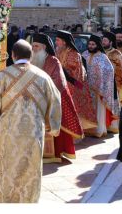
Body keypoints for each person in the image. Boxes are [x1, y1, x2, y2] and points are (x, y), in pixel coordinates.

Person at [0, 40, 61, 203]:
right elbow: (56, 102)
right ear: (31, 56)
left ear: (13, 55)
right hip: (34, 135)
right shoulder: (44, 77)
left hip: (7, 134)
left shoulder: (3, 76)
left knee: (6, 170)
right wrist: (52, 126)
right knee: (30, 172)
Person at [31, 33, 83, 163]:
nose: (33, 49)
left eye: (36, 46)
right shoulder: (31, 60)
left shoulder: (53, 61)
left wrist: (44, 93)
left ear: (44, 47)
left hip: (51, 99)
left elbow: (59, 82)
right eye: (32, 46)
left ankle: (53, 153)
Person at [55, 30, 97, 132]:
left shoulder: (74, 54)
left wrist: (60, 69)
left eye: (58, 40)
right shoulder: (58, 51)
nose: (55, 42)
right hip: (61, 84)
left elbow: (74, 73)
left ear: (64, 42)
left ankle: (75, 131)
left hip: (73, 86)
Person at [82, 35, 119, 137]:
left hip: (98, 89)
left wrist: (101, 83)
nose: (90, 46)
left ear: (98, 45)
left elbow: (110, 71)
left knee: (98, 110)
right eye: (89, 44)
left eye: (93, 44)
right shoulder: (84, 54)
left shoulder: (103, 57)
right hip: (86, 88)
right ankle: (87, 129)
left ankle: (99, 130)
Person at [102, 32, 122, 110]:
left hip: (114, 83)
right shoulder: (100, 52)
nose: (103, 42)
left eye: (105, 41)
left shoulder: (116, 53)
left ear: (111, 42)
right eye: (102, 40)